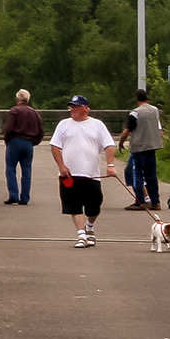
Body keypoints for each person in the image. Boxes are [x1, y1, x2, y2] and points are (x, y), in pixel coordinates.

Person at [50, 95, 119, 248]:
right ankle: (81, 235)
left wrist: (110, 165)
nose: (73, 109)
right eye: (71, 107)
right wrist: (61, 166)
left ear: (86, 108)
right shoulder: (63, 124)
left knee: (94, 207)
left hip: (91, 174)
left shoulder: (97, 125)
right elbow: (55, 146)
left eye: (77, 106)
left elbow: (109, 145)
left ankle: (89, 227)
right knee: (74, 206)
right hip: (69, 174)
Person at [119, 88, 163, 211]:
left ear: (136, 99)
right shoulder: (155, 110)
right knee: (151, 176)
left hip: (139, 148)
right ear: (146, 97)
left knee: (136, 175)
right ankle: (155, 202)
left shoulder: (135, 113)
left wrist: (121, 143)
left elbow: (127, 131)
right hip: (152, 146)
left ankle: (140, 201)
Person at [2, 89, 43, 205]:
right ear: (28, 100)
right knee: (26, 170)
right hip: (28, 143)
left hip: (15, 141)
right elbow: (40, 130)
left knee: (11, 168)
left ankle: (13, 194)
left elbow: (9, 128)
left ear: (17, 99)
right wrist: (34, 142)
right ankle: (25, 197)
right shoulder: (34, 113)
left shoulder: (14, 111)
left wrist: (7, 139)